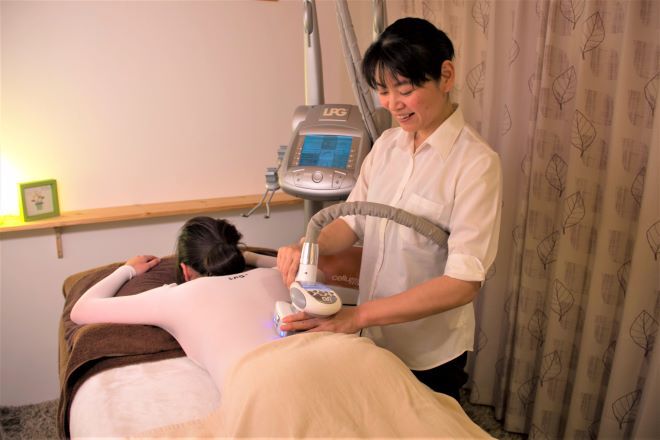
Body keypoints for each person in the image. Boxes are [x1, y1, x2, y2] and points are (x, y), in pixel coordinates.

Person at [276, 17, 503, 401]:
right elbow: (350, 223)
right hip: (372, 337)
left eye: (405, 89)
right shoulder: (386, 147)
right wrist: (307, 247)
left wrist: (358, 315)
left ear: (446, 76)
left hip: (428, 351)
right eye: (382, 90)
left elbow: (462, 283)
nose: (392, 104)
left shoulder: (476, 164)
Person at [70, 216, 290, 390]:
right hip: (305, 362)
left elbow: (81, 310)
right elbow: (301, 267)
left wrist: (127, 270)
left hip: (255, 390)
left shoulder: (177, 297)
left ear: (185, 270)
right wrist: (250, 256)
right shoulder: (276, 275)